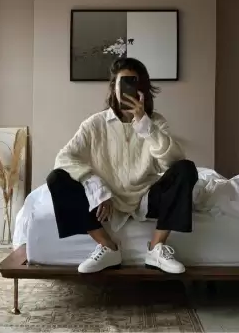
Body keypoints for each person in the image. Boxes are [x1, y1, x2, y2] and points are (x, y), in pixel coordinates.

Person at [47, 58, 198, 274]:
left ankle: (156, 247)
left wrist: (145, 125)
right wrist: (96, 185)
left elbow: (174, 161)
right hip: (106, 201)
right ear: (114, 88)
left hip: (146, 197)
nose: (128, 89)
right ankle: (107, 246)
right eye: (123, 83)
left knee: (186, 168)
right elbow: (64, 158)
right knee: (56, 178)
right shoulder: (95, 123)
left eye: (134, 83)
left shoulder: (156, 121)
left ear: (143, 89)